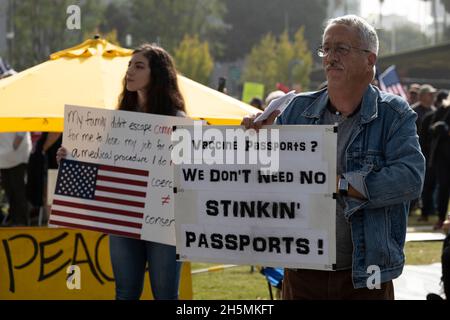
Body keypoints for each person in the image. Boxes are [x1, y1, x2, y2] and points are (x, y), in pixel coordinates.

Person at [242, 15, 425, 299]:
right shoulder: (296, 110)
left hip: (365, 274)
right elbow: (267, 176)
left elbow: (410, 179)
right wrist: (257, 138)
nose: (330, 57)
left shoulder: (394, 113)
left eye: (341, 48)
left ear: (369, 59)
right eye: (326, 49)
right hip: (302, 268)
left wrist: (339, 184)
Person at [57, 43, 186, 299]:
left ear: (157, 74)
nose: (130, 71)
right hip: (124, 217)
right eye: (129, 65)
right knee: (125, 293)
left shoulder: (177, 119)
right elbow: (104, 167)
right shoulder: (118, 119)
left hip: (164, 221)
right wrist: (71, 158)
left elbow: (186, 173)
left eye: (139, 66)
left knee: (165, 295)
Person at [0, 132, 32, 226]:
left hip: (18, 157)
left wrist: (14, 145)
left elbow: (22, 128)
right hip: (4, 158)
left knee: (18, 191)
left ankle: (21, 222)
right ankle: (14, 219)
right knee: (9, 190)